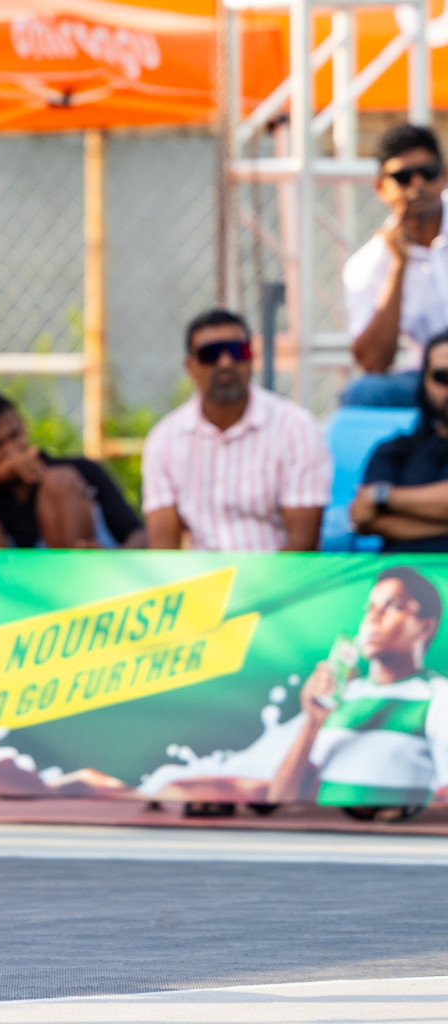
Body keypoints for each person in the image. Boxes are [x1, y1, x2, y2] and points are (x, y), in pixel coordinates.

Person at [141, 309, 331, 551]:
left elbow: (302, 545)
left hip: (280, 582)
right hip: (202, 585)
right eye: (210, 354)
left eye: (237, 351)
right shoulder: (165, 439)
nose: (225, 362)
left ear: (251, 357)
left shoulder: (296, 428)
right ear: (190, 366)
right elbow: (163, 549)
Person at [269, 567, 448, 808]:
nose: (374, 617)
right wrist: (312, 722)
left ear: (425, 627)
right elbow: (279, 801)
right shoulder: (340, 697)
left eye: (393, 606)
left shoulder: (438, 696)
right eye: (370, 609)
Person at [0, 393, 144, 549]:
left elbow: (141, 536)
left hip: (91, 581)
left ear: (24, 425)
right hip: (15, 595)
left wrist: (115, 556)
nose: (11, 452)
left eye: (15, 435)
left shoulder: (80, 470)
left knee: (59, 481)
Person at [341, 123, 448, 408]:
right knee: (363, 394)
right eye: (403, 177)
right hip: (431, 380)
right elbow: (374, 363)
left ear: (444, 174)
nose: (418, 185)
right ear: (380, 187)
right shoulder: (368, 265)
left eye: (428, 173)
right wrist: (398, 268)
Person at [352, 330, 448, 550]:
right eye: (444, 376)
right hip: (404, 578)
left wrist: (384, 496)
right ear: (423, 380)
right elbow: (363, 518)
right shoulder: (394, 450)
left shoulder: (386, 483)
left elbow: (372, 503)